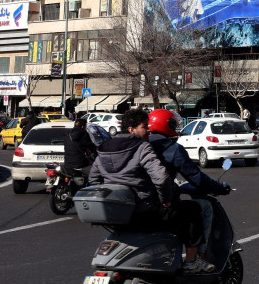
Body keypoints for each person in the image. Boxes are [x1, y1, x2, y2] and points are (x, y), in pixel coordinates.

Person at [89, 109, 211, 274]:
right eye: (144, 127)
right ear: (131, 129)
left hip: (118, 213)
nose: (148, 130)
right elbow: (161, 178)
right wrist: (165, 199)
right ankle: (192, 261)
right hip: (144, 210)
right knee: (192, 211)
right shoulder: (142, 147)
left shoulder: (104, 149)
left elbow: (94, 180)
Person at [147, 109, 229, 264]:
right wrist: (218, 187)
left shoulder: (141, 144)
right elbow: (195, 177)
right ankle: (197, 258)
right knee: (202, 207)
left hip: (140, 203)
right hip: (161, 204)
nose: (175, 127)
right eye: (173, 124)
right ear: (166, 125)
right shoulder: (171, 148)